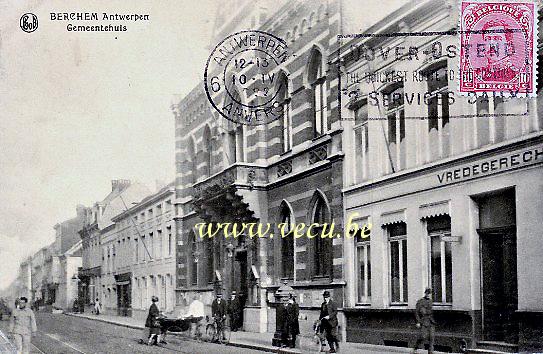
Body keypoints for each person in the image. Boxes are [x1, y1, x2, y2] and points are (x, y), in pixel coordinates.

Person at [413, 288, 435, 354]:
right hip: (423, 321)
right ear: (425, 293)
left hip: (431, 321)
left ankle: (430, 352)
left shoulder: (431, 301)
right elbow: (416, 312)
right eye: (427, 293)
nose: (428, 295)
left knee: (431, 337)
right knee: (423, 336)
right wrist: (417, 322)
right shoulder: (420, 301)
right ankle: (416, 347)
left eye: (429, 293)